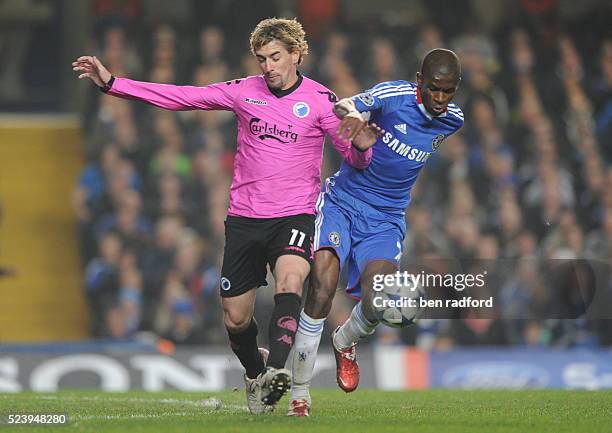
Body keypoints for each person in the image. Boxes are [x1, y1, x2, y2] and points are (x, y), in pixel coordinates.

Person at [73, 18, 379, 413]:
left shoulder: (322, 100)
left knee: (290, 281)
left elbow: (355, 155)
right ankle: (255, 373)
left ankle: (275, 371)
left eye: (275, 57)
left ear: (296, 55)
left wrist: (364, 147)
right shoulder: (243, 91)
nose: (268, 66)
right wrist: (113, 83)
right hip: (244, 218)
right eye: (261, 59)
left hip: (296, 215)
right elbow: (181, 97)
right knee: (235, 319)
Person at [287, 49, 464, 417]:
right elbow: (344, 105)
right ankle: (299, 393)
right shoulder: (393, 96)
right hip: (343, 202)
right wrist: (355, 126)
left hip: (386, 219)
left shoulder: (453, 120)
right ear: (419, 81)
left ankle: (344, 341)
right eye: (434, 89)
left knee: (379, 301)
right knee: (322, 282)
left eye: (448, 91)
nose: (441, 99)